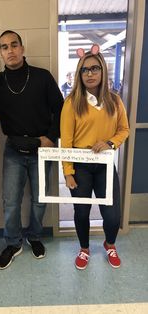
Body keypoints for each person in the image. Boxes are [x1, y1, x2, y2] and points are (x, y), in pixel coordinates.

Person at [0, 30, 64, 270]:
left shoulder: (43, 77)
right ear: (1, 53)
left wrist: (52, 138)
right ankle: (13, 243)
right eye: (4, 47)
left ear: (22, 48)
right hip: (13, 150)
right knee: (11, 201)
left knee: (40, 200)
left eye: (14, 45)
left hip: (43, 149)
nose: (10, 50)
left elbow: (61, 109)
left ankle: (34, 237)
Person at [60, 44, 129, 270]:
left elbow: (124, 130)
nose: (90, 74)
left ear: (103, 71)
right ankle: (85, 248)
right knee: (82, 211)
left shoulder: (115, 100)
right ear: (79, 74)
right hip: (80, 165)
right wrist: (68, 172)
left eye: (95, 69)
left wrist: (110, 142)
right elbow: (66, 141)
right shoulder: (71, 103)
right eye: (85, 70)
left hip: (105, 164)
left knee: (111, 213)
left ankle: (110, 244)